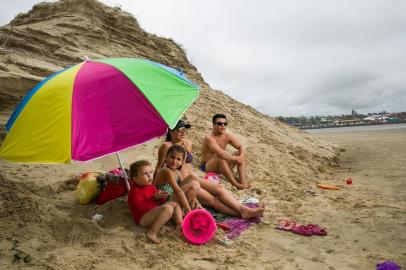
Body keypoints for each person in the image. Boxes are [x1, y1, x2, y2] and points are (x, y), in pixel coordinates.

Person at [155, 120, 263, 219]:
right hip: (179, 182)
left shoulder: (187, 143)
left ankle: (244, 210)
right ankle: (242, 212)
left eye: (184, 130)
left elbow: (187, 164)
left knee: (219, 188)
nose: (183, 133)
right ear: (171, 131)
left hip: (191, 176)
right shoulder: (166, 146)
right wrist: (152, 188)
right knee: (213, 200)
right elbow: (159, 167)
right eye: (179, 130)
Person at [127, 160, 182, 244]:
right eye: (145, 174)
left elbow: (159, 202)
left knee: (174, 204)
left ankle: (180, 225)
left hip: (152, 212)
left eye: (150, 172)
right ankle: (152, 233)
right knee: (168, 209)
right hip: (143, 219)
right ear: (135, 178)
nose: (149, 176)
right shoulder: (134, 192)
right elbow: (141, 208)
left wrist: (161, 197)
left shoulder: (150, 186)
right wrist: (153, 198)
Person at [200, 114, 249, 190]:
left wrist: (241, 157)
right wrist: (236, 159)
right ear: (213, 125)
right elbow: (220, 153)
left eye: (225, 124)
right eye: (219, 124)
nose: (223, 126)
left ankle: (242, 182)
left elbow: (242, 146)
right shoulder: (209, 138)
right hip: (208, 166)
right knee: (220, 157)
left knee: (240, 154)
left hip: (222, 165)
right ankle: (235, 184)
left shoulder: (227, 135)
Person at [154, 144, 201, 213]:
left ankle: (187, 208)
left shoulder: (177, 172)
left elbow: (184, 186)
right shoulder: (165, 170)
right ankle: (183, 211)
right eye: (172, 157)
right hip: (163, 202)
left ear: (182, 163)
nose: (174, 161)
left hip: (171, 197)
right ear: (166, 157)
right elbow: (178, 191)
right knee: (194, 185)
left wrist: (197, 202)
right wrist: (189, 211)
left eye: (178, 159)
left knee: (192, 178)